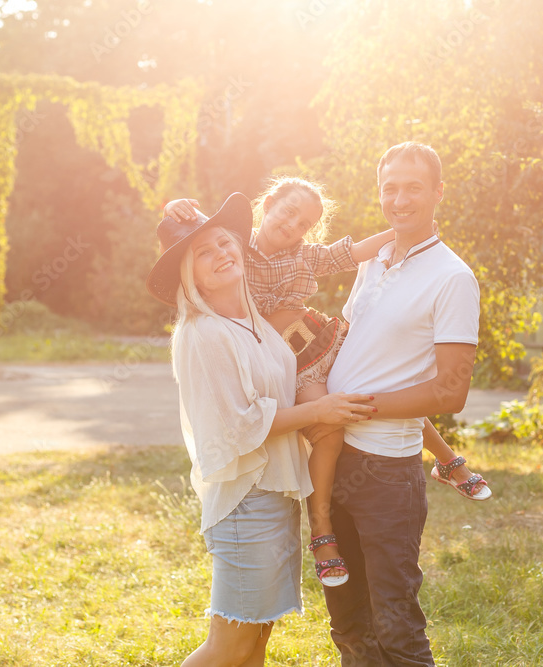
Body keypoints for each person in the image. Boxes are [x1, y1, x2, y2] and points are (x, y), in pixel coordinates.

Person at [163, 177, 489, 589]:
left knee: (375, 384)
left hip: (318, 337)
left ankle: (446, 459)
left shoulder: (305, 256)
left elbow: (351, 253)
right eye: (287, 212)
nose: (292, 225)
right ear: (267, 204)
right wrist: (177, 206)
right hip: (293, 360)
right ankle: (321, 530)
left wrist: (404, 231)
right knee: (331, 429)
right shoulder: (235, 247)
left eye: (304, 223)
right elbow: (196, 242)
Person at [145, 193, 376, 667]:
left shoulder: (256, 322)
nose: (222, 254)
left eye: (225, 242)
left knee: (254, 644)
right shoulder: (204, 333)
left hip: (274, 496)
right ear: (189, 275)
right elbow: (241, 424)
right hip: (245, 502)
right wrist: (323, 412)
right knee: (227, 646)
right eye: (204, 252)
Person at [323, 142, 481, 666]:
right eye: (390, 187)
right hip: (331, 457)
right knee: (348, 625)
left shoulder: (453, 277)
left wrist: (359, 408)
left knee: (396, 629)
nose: (400, 198)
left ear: (437, 193)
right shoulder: (373, 262)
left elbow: (449, 391)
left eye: (413, 187)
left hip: (387, 471)